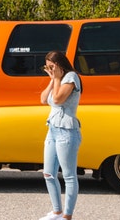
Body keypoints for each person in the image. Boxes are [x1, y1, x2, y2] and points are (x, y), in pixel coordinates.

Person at [39, 51, 83, 220]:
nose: (49, 69)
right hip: (52, 129)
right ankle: (56, 212)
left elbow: (57, 100)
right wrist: (52, 79)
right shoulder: (56, 80)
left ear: (59, 64)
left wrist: (56, 78)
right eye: (47, 67)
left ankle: (67, 215)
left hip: (67, 130)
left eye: (51, 66)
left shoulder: (71, 77)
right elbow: (44, 99)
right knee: (48, 173)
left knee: (69, 175)